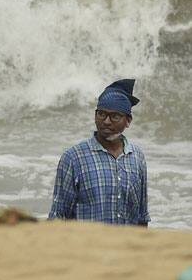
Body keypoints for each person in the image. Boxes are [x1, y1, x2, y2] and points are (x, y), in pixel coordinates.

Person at [48, 79, 149, 226]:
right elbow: (58, 215)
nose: (106, 121)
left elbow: (142, 217)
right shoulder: (74, 157)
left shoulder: (137, 157)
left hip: (127, 247)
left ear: (128, 121)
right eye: (101, 114)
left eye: (115, 116)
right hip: (88, 247)